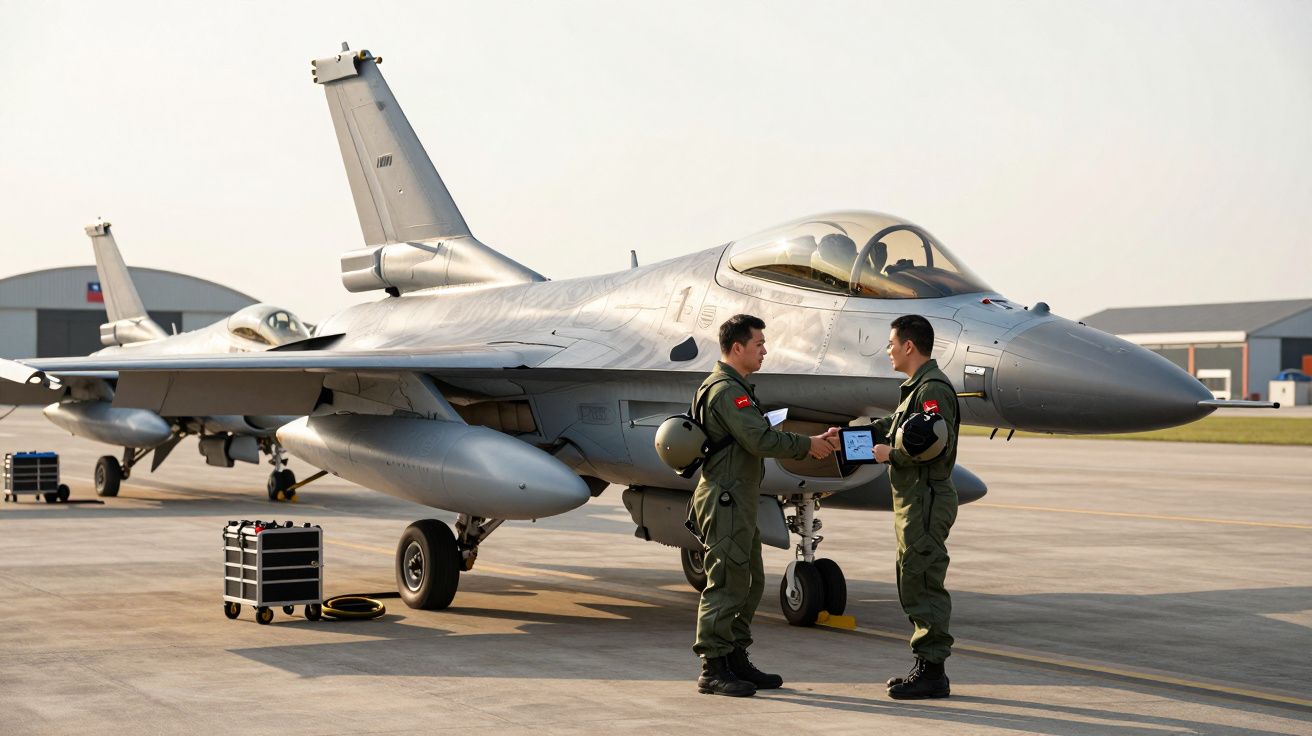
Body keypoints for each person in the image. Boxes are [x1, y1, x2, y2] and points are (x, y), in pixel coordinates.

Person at [691, 313, 840, 697]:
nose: (764, 350)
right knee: (726, 583)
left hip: (738, 498)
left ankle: (736, 657)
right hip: (725, 499)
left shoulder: (737, 387)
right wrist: (809, 444)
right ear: (737, 347)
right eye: (758, 344)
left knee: (749, 581)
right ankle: (714, 666)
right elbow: (759, 441)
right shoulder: (727, 391)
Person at [869, 314, 960, 699]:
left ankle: (933, 671)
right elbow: (901, 425)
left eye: (892, 343)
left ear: (909, 345)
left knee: (922, 580)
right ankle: (925, 664)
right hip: (914, 498)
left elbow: (932, 443)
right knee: (911, 577)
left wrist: (892, 455)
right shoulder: (916, 388)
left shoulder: (933, 389)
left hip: (925, 497)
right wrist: (863, 431)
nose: (888, 349)